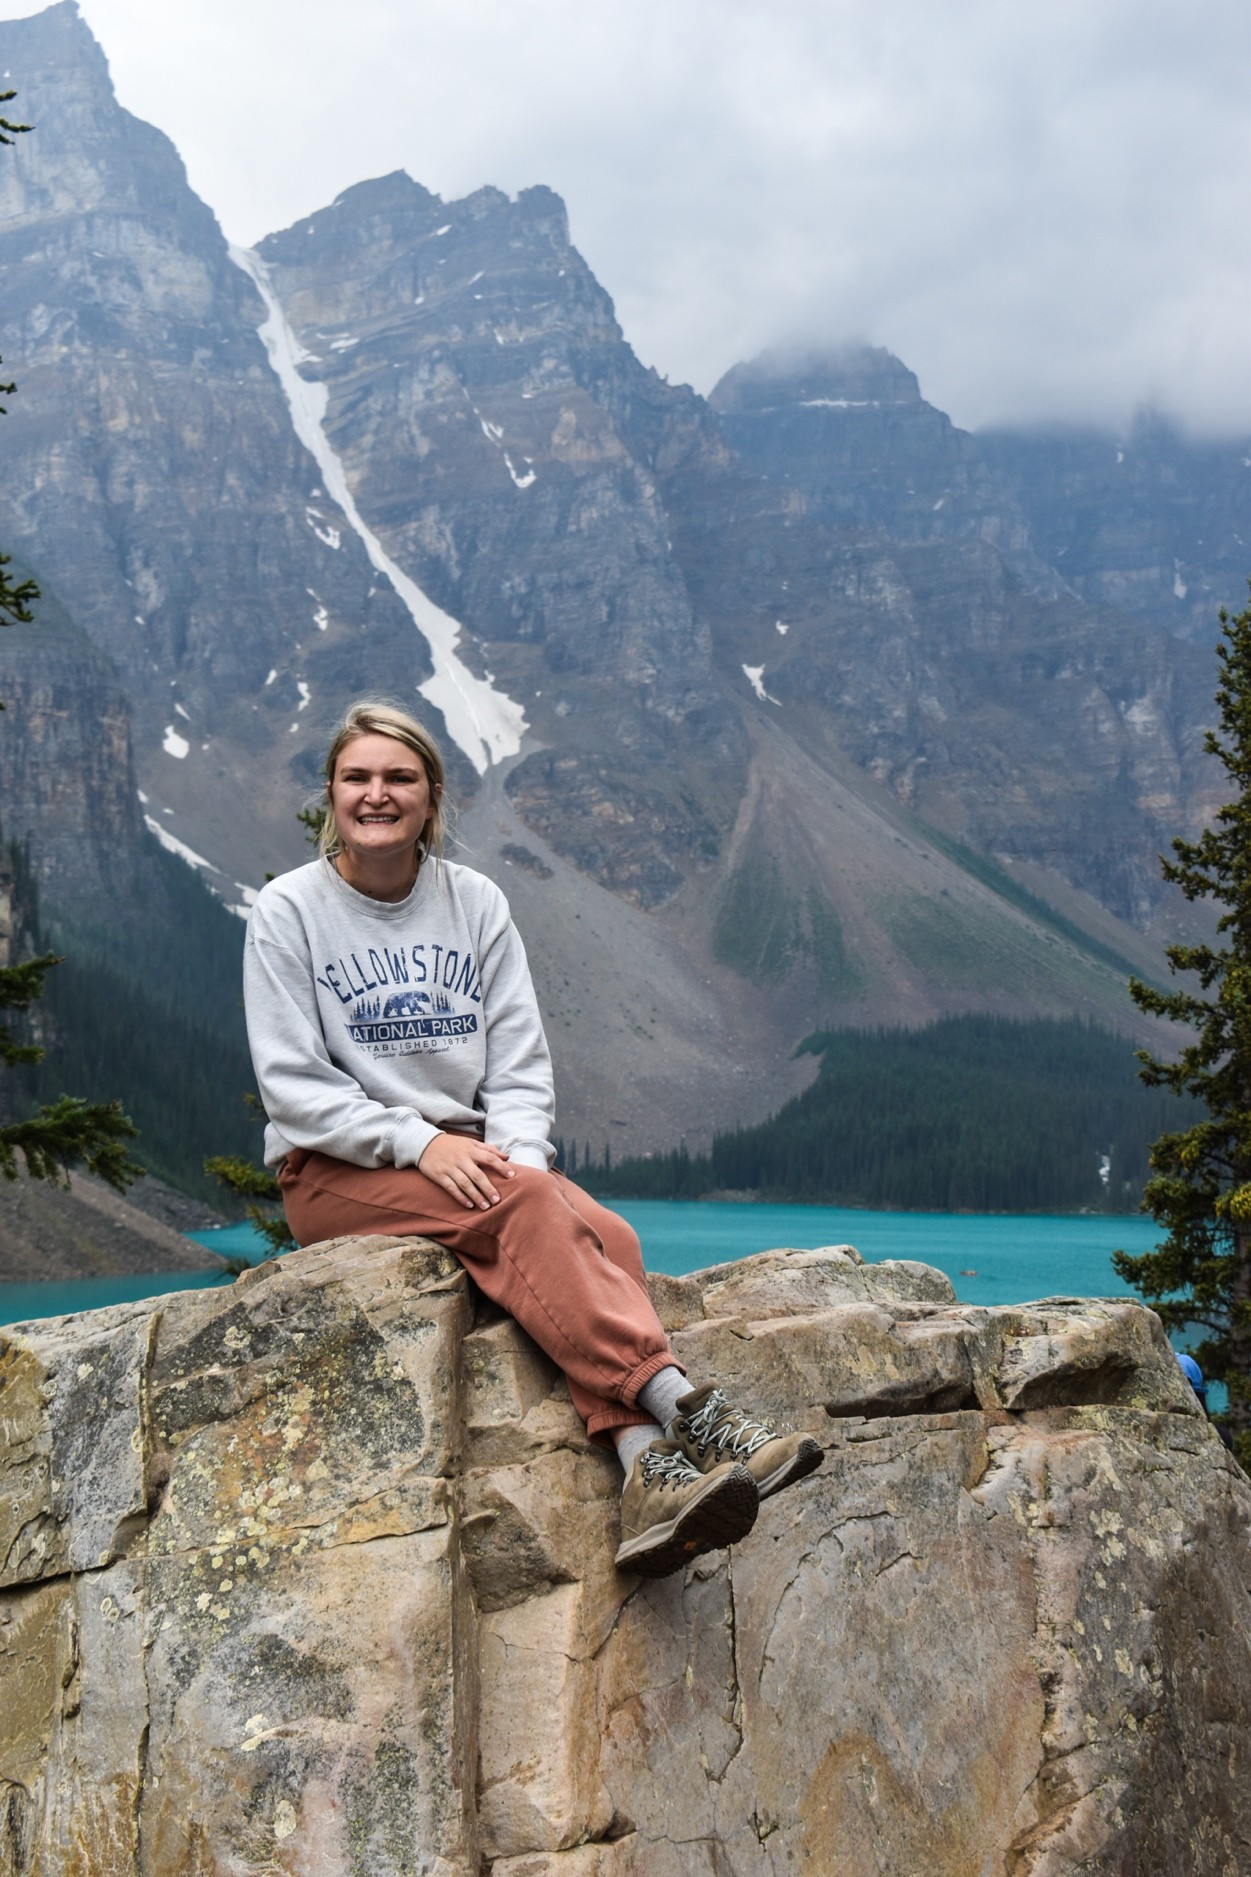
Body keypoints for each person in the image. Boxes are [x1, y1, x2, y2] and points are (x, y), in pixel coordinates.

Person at [243, 699, 822, 1577]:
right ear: (331, 791)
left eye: (398, 777)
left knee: (610, 1236)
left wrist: (520, 1162)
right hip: (335, 1167)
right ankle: (688, 1408)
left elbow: (517, 1064)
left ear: (432, 796)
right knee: (536, 1214)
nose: (376, 794)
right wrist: (417, 1143)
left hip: (473, 1153)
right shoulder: (289, 909)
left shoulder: (473, 902)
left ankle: (642, 1474)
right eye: (357, 776)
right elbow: (293, 1087)